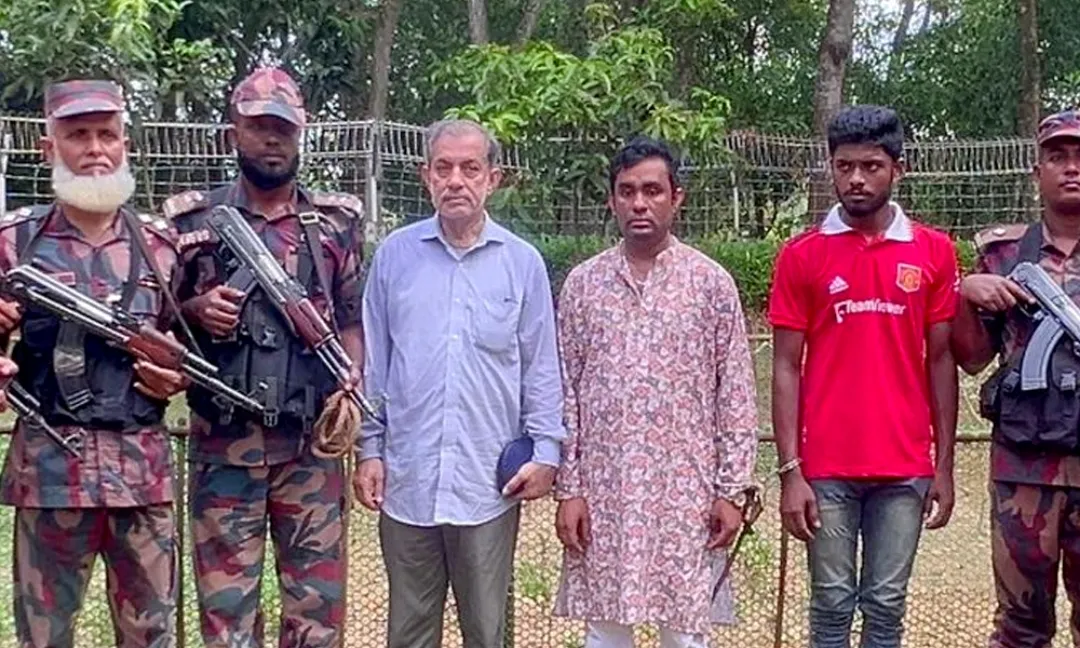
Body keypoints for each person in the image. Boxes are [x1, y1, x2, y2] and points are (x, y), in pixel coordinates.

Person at [166, 67, 365, 648]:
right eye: (258, 127)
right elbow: (158, 321)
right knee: (227, 617)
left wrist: (350, 382)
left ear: (300, 133)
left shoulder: (334, 224)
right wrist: (199, 309)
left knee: (317, 616)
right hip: (223, 449)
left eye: (284, 128)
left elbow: (351, 319)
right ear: (234, 133)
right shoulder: (192, 222)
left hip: (309, 451)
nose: (272, 139)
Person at [353, 118, 565, 648]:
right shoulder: (395, 258)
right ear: (425, 176)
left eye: (470, 168)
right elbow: (376, 364)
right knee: (408, 632)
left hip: (486, 488)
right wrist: (369, 449)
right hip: (408, 480)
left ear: (493, 178)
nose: (455, 181)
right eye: (443, 168)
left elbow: (541, 367)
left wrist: (546, 452)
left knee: (487, 632)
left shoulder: (521, 264)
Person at [550, 135, 759, 648]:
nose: (639, 203)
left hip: (686, 494)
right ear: (611, 201)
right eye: (627, 192)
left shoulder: (710, 284)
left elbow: (735, 393)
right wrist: (570, 490)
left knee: (685, 632)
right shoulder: (584, 285)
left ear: (676, 197)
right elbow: (565, 393)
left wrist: (730, 491)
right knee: (605, 629)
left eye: (652, 191)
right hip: (606, 491)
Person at [0, 79, 187, 648]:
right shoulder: (12, 243)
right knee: (43, 636)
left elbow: (186, 346)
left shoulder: (162, 247)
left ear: (125, 144)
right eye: (77, 135)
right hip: (50, 476)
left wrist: (174, 376)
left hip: (142, 477)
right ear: (48, 147)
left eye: (107, 134)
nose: (95, 149)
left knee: (151, 634)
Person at [768, 105, 959, 648]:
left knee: (886, 604)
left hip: (905, 468)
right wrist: (791, 471)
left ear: (898, 169)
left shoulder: (934, 252)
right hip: (825, 469)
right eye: (844, 165)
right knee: (830, 605)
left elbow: (941, 360)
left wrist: (944, 465)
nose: (856, 178)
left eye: (871, 166)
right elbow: (785, 366)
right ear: (831, 167)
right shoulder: (802, 255)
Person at [952, 109, 1080, 648]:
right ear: (1037, 172)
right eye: (1057, 156)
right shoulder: (1002, 254)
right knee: (1019, 629)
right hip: (1023, 468)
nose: (1071, 167)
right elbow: (972, 358)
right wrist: (965, 294)